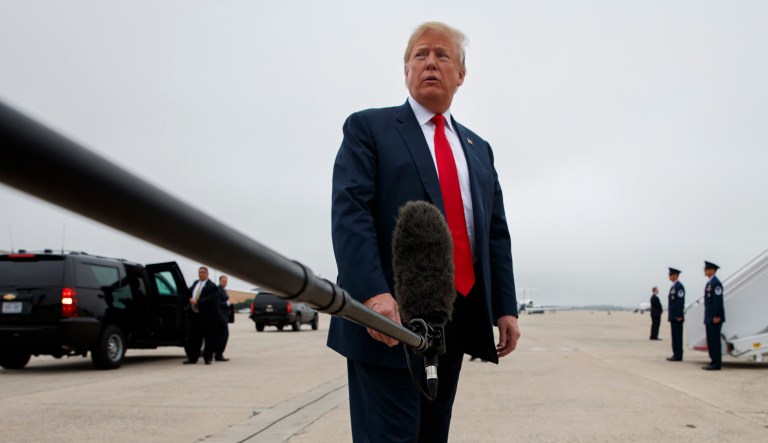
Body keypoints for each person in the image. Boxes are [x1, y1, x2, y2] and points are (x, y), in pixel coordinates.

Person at [329, 22, 521, 443]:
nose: (430, 62)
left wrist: (504, 307)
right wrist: (371, 294)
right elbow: (351, 212)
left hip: (453, 322)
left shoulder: (478, 148)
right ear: (406, 70)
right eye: (420, 54)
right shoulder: (369, 129)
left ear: (461, 74)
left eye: (442, 55)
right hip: (386, 322)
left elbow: (494, 233)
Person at [183, 266, 220, 365]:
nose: (201, 274)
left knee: (208, 338)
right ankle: (192, 358)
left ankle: (208, 358)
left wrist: (197, 302)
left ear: (207, 274)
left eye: (203, 272)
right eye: (199, 272)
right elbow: (188, 294)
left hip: (207, 317)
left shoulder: (212, 286)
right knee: (194, 338)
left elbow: (211, 299)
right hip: (195, 316)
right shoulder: (195, 283)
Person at [702, 261, 725, 370]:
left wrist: (717, 315)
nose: (704, 270)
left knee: (715, 340)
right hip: (709, 317)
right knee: (711, 340)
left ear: (712, 270)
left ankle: (717, 363)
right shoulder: (710, 283)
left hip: (715, 317)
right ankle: (713, 361)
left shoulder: (716, 283)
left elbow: (718, 301)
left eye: (706, 269)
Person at [666, 267, 685, 361]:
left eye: (671, 275)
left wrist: (679, 315)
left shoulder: (679, 287)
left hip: (677, 317)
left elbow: (680, 303)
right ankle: (675, 353)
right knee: (674, 336)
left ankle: (678, 354)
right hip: (673, 316)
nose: (669, 276)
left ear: (676, 275)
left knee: (678, 336)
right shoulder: (673, 287)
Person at [215, 275, 231, 362]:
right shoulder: (218, 290)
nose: (225, 283)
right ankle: (218, 354)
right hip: (220, 316)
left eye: (226, 281)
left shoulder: (224, 290)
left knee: (221, 335)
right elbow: (218, 303)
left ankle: (218, 353)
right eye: (223, 281)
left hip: (224, 316)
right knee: (224, 335)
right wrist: (228, 303)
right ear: (220, 281)